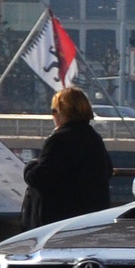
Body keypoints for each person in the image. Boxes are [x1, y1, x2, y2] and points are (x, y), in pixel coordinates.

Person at [21, 87, 113, 230]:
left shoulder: (59, 139)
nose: (52, 115)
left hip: (61, 220)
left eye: (53, 110)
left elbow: (39, 177)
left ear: (63, 113)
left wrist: (30, 167)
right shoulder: (93, 137)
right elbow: (108, 170)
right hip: (91, 217)